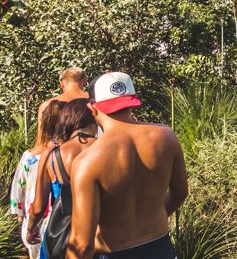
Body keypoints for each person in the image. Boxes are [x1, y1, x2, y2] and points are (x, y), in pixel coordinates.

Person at [66, 72, 187, 259]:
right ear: (132, 102)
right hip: (160, 248)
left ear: (92, 108)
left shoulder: (87, 162)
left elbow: (81, 246)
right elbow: (180, 192)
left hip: (114, 253)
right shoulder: (166, 137)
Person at [27, 99, 97, 259]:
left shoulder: (51, 154)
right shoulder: (103, 149)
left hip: (59, 234)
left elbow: (38, 207)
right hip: (96, 234)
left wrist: (31, 228)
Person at [9, 100, 66, 259]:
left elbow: (18, 188)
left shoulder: (29, 157)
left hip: (34, 220)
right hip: (62, 221)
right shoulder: (71, 154)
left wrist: (22, 216)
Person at [34, 68, 88, 151]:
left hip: (56, 156)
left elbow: (41, 141)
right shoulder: (94, 101)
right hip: (87, 152)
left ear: (61, 83)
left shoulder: (47, 105)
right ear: (84, 82)